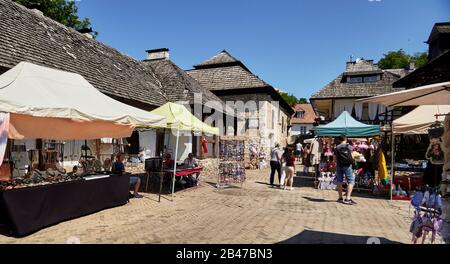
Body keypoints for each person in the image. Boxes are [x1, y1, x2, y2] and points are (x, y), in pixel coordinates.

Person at [334, 135, 356, 205]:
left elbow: (335, 158)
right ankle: (348, 198)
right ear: (346, 139)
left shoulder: (337, 147)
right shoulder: (349, 147)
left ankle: (340, 198)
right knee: (350, 181)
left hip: (339, 165)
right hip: (347, 166)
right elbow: (352, 156)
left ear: (339, 140)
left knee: (339, 181)